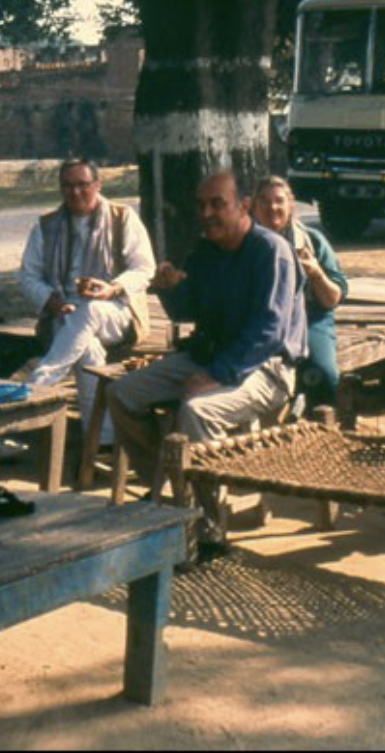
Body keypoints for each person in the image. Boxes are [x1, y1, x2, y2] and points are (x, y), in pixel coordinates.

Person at [107, 171, 307, 562]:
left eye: (218, 203)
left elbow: (269, 330)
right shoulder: (206, 251)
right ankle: (170, 486)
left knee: (197, 410)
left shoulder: (270, 251)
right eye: (202, 205)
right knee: (122, 392)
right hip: (210, 356)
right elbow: (189, 310)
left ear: (243, 207)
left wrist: (216, 376)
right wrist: (169, 288)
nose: (207, 213)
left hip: (265, 367)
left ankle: (212, 529)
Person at [19, 158, 155, 446]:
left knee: (90, 310)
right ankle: (102, 441)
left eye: (82, 185)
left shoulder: (122, 218)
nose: (75, 192)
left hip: (115, 309)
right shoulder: (47, 225)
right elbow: (28, 277)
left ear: (97, 185)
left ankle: (37, 384)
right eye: (67, 186)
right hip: (63, 312)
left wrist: (112, 288)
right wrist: (52, 302)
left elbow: (145, 268)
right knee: (87, 351)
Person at [251, 176, 347, 409]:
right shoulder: (242, 242)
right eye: (263, 201)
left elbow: (333, 298)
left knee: (322, 373)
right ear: (253, 206)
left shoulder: (311, 241)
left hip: (308, 319)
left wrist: (316, 273)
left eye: (278, 201)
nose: (272, 207)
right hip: (255, 322)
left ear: (291, 206)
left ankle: (322, 429)